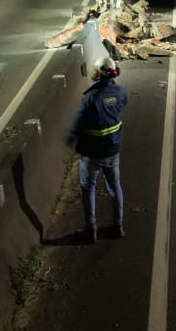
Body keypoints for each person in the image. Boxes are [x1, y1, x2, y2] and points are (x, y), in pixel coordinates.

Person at [64, 54, 128, 243]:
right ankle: (118, 225)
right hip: (113, 149)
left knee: (88, 187)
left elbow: (77, 125)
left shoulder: (90, 98)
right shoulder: (120, 93)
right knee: (115, 186)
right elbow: (121, 104)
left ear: (100, 73)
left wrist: (70, 140)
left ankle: (90, 229)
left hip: (92, 153)